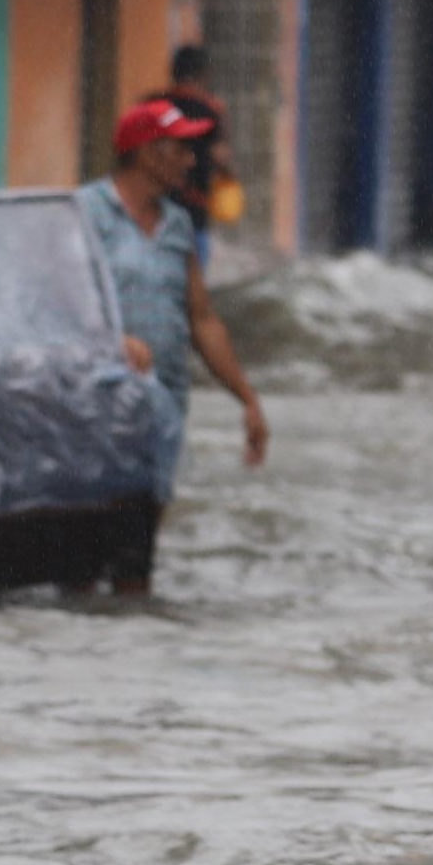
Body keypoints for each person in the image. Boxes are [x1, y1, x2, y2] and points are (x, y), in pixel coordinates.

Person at [79, 97, 272, 539]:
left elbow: (202, 319)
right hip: (99, 401)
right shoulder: (84, 212)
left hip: (165, 404)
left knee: (143, 536)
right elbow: (55, 301)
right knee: (92, 533)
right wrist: (112, 342)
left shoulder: (179, 224)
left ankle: (133, 608)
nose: (190, 161)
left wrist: (246, 398)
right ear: (148, 153)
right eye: (180, 149)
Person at [138, 44, 241, 258]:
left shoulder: (151, 104)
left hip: (149, 210)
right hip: (193, 213)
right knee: (188, 281)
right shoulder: (212, 111)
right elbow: (221, 156)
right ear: (204, 74)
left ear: (173, 71)